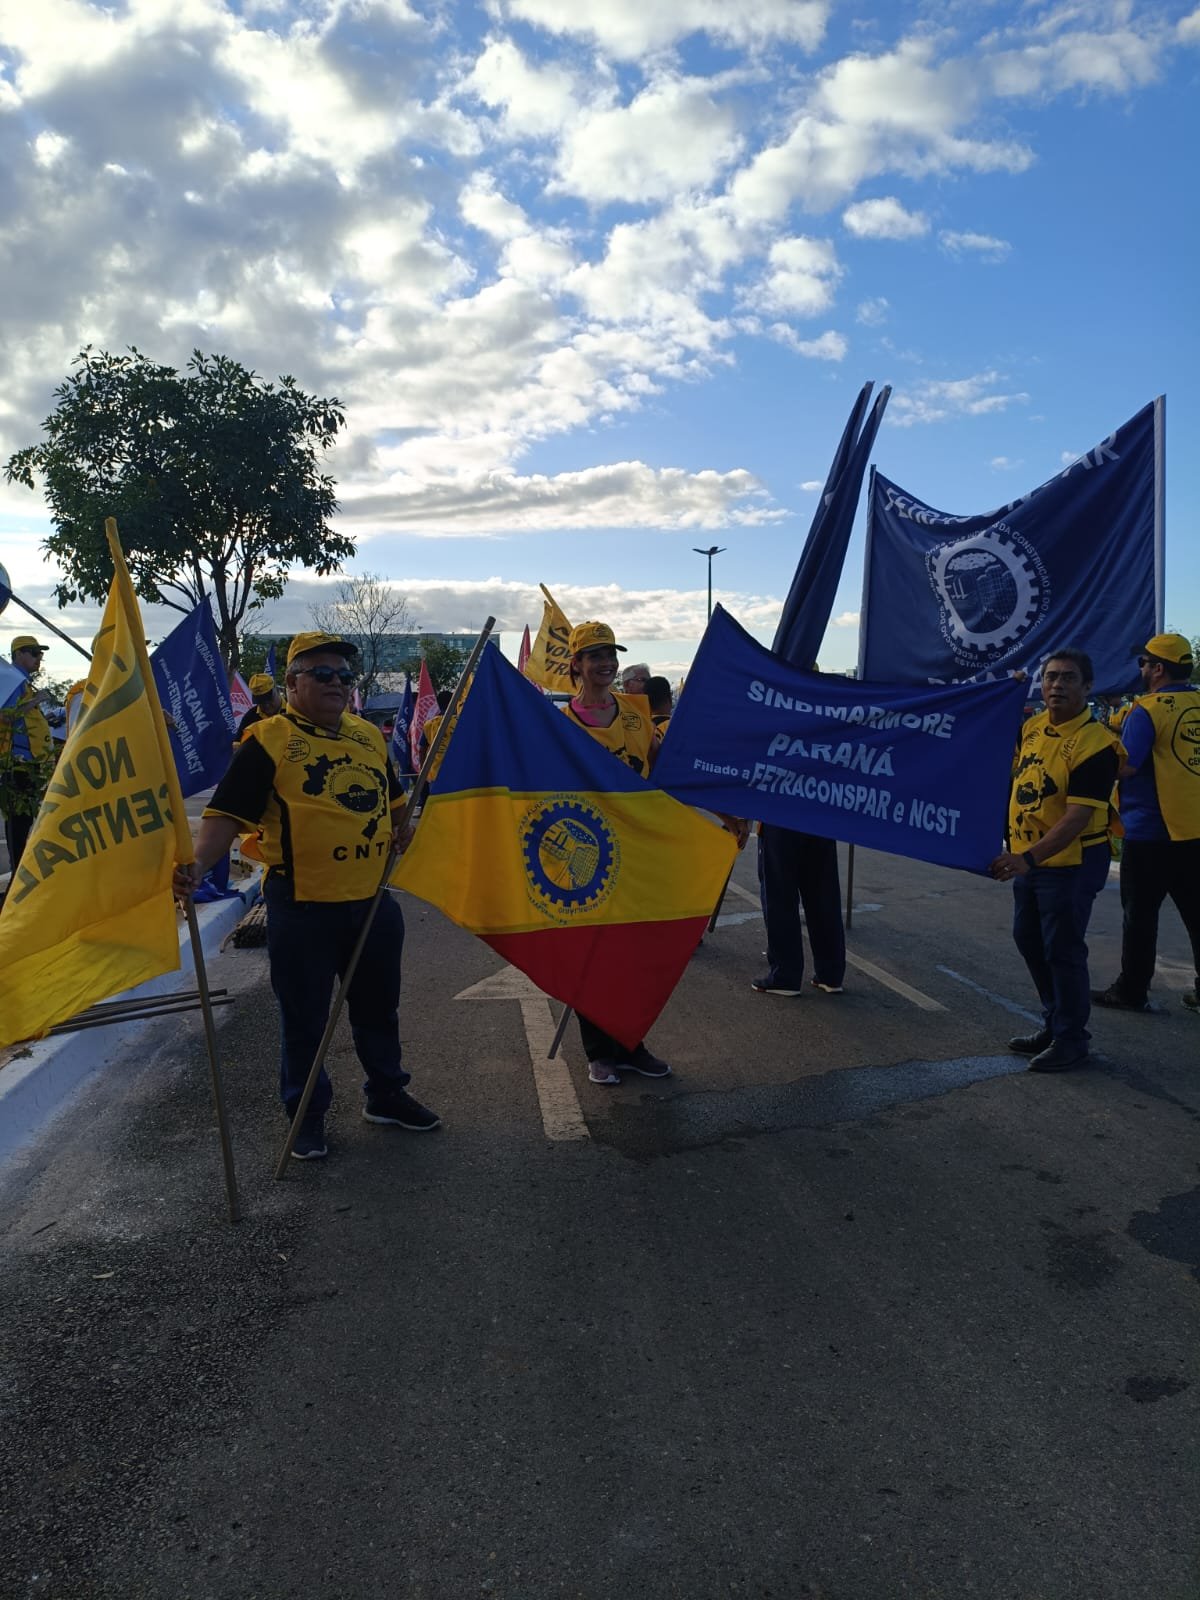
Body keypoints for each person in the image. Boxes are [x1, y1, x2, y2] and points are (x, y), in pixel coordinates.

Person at [174, 631, 439, 1160]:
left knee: (377, 1012)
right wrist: (197, 865)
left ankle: (386, 1095)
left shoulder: (366, 735)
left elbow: (393, 802)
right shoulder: (267, 740)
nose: (337, 683)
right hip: (303, 908)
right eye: (322, 674)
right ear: (293, 682)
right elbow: (226, 816)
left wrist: (402, 825)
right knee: (305, 1020)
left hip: (371, 904)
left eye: (345, 675)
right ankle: (306, 1116)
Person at [990, 648, 1121, 1072]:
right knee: (1027, 938)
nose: (1057, 685)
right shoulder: (1032, 727)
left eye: (1068, 678)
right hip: (1032, 858)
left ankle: (1071, 1038)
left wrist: (1027, 858)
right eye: (1050, 678)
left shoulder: (1096, 744)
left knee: (1062, 948)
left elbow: (1077, 817)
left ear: (1087, 687)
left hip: (1071, 862)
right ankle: (1054, 1022)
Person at [563, 622, 671, 1083]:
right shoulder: (560, 723)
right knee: (593, 956)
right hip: (586, 854)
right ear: (577, 665)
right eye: (595, 655)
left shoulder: (635, 712)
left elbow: (663, 767)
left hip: (637, 850)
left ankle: (631, 1044)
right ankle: (598, 1051)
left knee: (632, 953)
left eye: (611, 654)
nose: (606, 663)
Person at [1093, 633, 1199, 1016]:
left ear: (1157, 669)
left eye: (1144, 663)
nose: (1140, 669)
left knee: (1140, 917)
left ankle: (1132, 990)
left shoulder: (1150, 709)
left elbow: (1128, 766)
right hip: (1195, 829)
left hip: (1151, 831)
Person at [752, 825, 846, 998]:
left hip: (780, 817)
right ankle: (831, 972)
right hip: (820, 816)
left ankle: (785, 974)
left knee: (779, 896)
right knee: (823, 894)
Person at [1, 636, 54, 873]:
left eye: (40, 653)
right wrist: (36, 700)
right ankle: (15, 878)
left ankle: (18, 873)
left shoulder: (22, 682)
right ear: (18, 654)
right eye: (34, 652)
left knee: (24, 824)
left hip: (30, 764)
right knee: (18, 825)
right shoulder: (13, 681)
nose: (39, 658)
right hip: (17, 764)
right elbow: (6, 715)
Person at [235, 673, 282, 742]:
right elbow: (237, 745)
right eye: (261, 702)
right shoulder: (250, 717)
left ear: (277, 690)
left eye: (269, 699)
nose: (267, 705)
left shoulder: (293, 708)